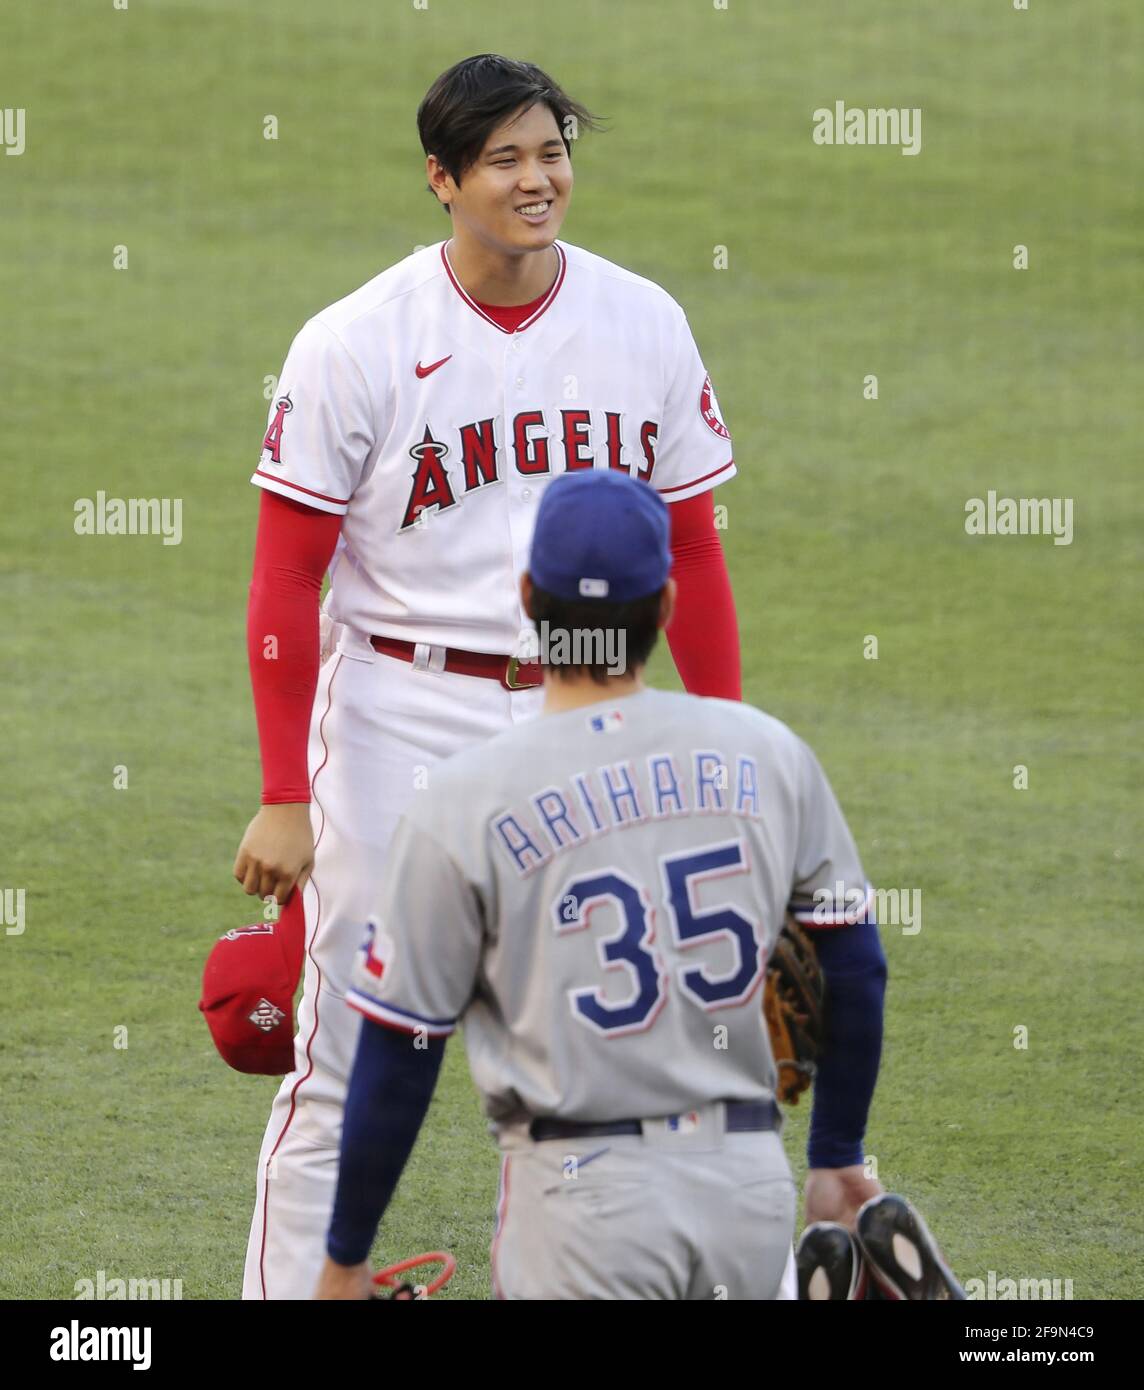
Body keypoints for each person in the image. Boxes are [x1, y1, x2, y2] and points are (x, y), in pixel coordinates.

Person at [233, 54, 744, 1299]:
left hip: (583, 711)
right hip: (400, 717)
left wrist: (722, 746)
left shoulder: (645, 322)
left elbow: (691, 549)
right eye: (506, 159)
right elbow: (283, 582)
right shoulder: (356, 341)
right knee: (348, 1051)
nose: (538, 178)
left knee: (567, 1060)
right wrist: (283, 793)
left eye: (552, 150)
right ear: (443, 180)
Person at [314, 469, 888, 1300]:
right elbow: (856, 965)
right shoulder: (767, 755)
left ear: (526, 600)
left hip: (581, 1203)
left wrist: (346, 1255)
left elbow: (402, 1045)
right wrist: (835, 1155)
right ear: (664, 606)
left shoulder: (464, 801)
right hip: (746, 1191)